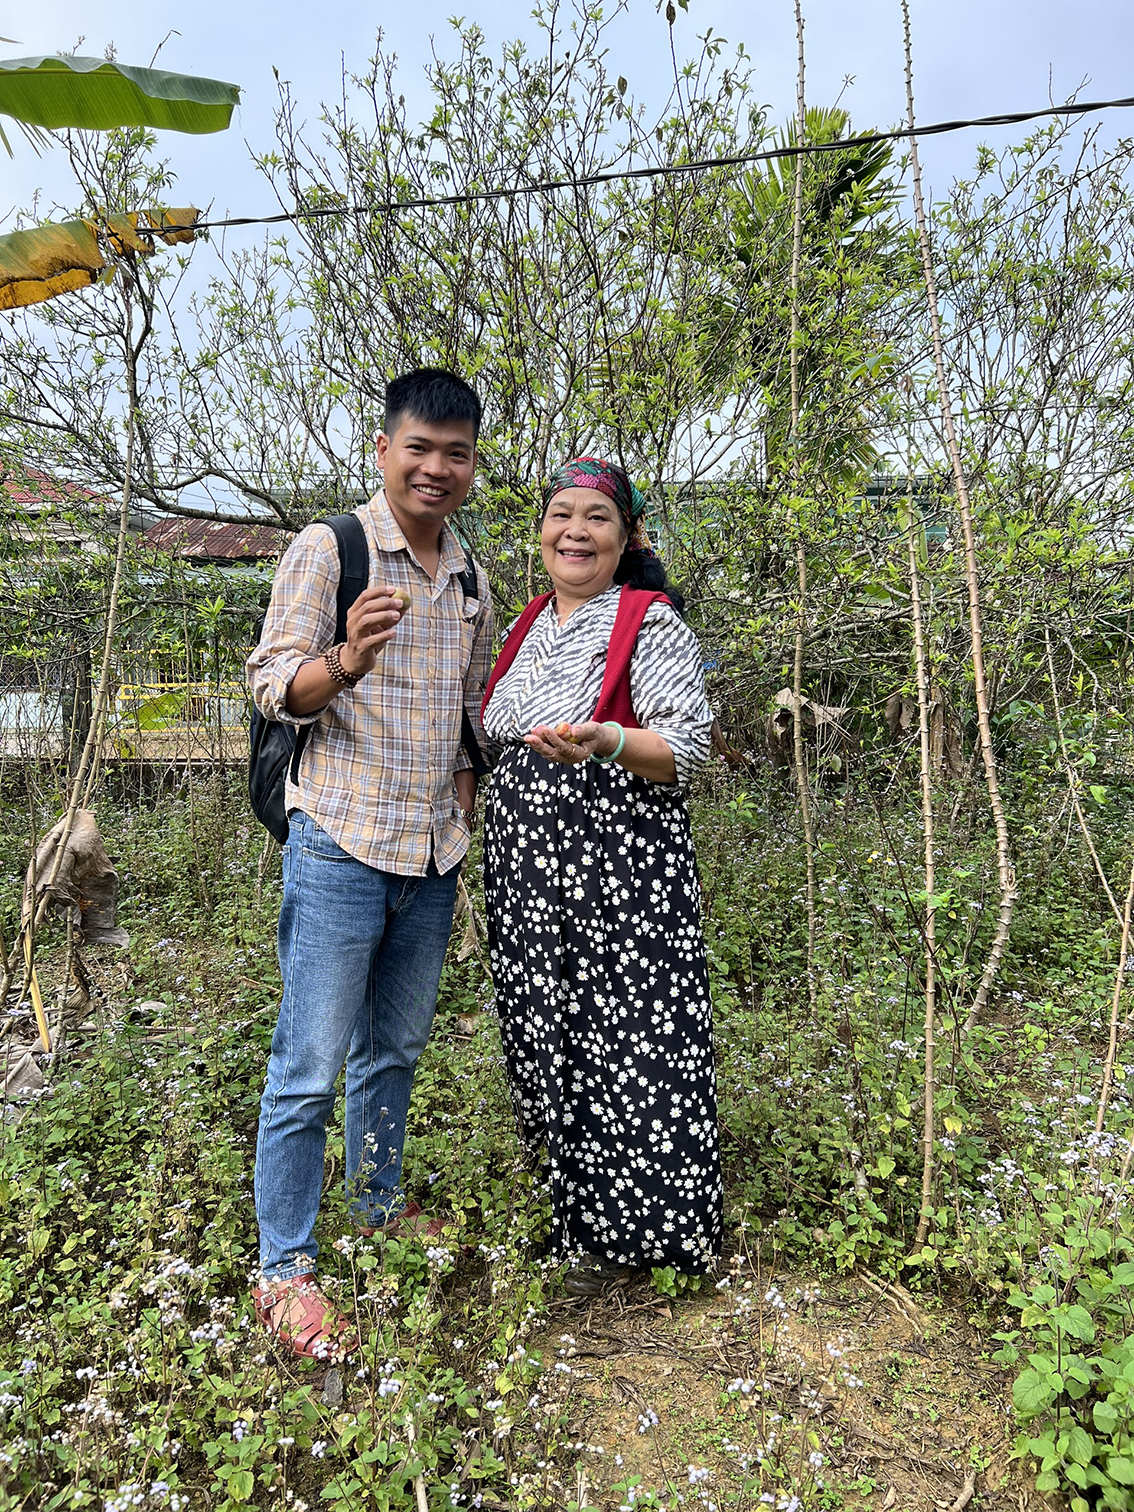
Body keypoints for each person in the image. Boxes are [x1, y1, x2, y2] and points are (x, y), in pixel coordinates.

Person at [246, 368, 493, 1358]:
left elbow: (471, 713)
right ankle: (285, 1272)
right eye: (419, 449)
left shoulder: (468, 572)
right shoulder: (331, 548)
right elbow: (273, 683)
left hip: (431, 855)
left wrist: (467, 799)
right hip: (341, 843)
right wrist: (343, 661)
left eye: (457, 453)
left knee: (392, 1052)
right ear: (384, 450)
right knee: (307, 1068)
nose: (436, 469)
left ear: (473, 464)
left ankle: (378, 1204)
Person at [480, 456, 723, 1297]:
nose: (574, 531)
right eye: (560, 515)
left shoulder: (647, 624)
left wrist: (607, 739)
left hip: (620, 869)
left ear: (627, 539)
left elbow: (685, 748)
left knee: (630, 1042)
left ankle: (640, 1238)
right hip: (527, 873)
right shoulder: (524, 627)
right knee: (548, 1030)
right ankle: (576, 1212)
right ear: (541, 531)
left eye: (596, 518)